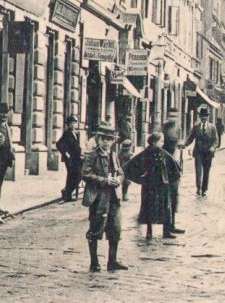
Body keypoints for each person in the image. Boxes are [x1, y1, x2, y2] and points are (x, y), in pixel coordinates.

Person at [83, 121, 127, 272]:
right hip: (98, 197)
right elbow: (86, 174)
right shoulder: (92, 155)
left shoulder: (114, 155)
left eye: (109, 139)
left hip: (113, 197)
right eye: (104, 139)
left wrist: (118, 180)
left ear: (113, 140)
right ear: (98, 139)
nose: (107, 142)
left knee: (115, 227)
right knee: (96, 228)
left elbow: (120, 172)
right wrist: (105, 180)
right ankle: (94, 263)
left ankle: (112, 261)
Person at [125, 132, 182, 239]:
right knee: (149, 208)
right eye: (161, 141)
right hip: (149, 186)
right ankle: (149, 231)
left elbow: (175, 168)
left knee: (166, 208)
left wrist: (169, 180)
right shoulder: (145, 154)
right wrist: (140, 179)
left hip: (163, 186)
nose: (163, 143)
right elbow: (129, 167)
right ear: (154, 142)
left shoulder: (164, 153)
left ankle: (166, 231)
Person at [183, 107, 219, 197]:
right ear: (200, 117)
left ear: (208, 118)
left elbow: (216, 141)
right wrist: (183, 145)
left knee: (206, 171)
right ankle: (198, 188)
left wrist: (213, 148)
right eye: (202, 116)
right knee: (198, 171)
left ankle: (204, 189)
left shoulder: (212, 127)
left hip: (208, 153)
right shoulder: (196, 127)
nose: (204, 118)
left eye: (205, 116)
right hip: (198, 152)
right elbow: (190, 138)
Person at [161, 109, 186, 235]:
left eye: (175, 116)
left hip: (174, 166)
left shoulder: (177, 128)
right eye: (171, 116)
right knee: (168, 198)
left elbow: (177, 143)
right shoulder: (164, 128)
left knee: (175, 197)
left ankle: (172, 225)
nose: (173, 118)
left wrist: (180, 145)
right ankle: (166, 228)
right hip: (165, 167)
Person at [56, 115, 84, 203]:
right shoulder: (66, 133)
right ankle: (67, 193)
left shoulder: (76, 133)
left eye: (74, 123)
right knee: (72, 176)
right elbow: (59, 144)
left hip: (77, 158)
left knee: (79, 175)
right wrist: (65, 153)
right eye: (71, 123)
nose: (72, 125)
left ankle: (67, 191)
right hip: (70, 159)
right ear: (68, 125)